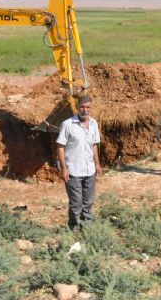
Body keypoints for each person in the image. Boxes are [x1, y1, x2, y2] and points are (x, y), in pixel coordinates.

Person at [57, 95, 102, 230]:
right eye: (82, 106)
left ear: (91, 108)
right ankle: (73, 228)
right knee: (76, 203)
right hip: (73, 171)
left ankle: (86, 229)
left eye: (88, 107)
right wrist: (64, 168)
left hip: (90, 171)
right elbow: (60, 147)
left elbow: (94, 145)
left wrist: (97, 164)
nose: (85, 109)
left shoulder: (94, 124)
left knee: (88, 202)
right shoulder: (68, 124)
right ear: (77, 107)